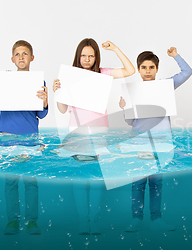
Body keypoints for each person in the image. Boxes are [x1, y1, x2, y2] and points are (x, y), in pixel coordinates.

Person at [53, 38, 134, 235]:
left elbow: (129, 70)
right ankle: (83, 221)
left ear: (96, 57)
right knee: (81, 179)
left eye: (91, 55)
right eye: (83, 55)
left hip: (99, 133)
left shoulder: (103, 73)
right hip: (77, 134)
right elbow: (63, 109)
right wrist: (58, 92)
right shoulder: (70, 76)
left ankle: (94, 220)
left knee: (97, 178)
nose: (87, 59)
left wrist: (115, 48)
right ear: (78, 56)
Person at [0, 36, 48, 235]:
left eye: (25, 53)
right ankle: (12, 221)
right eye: (17, 54)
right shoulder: (3, 79)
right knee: (11, 181)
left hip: (31, 138)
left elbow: (41, 115)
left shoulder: (39, 81)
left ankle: (32, 221)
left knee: (31, 182)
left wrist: (46, 102)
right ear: (12, 60)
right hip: (7, 137)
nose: (21, 57)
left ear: (32, 57)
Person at [119, 48, 192, 232]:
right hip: (139, 142)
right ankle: (136, 218)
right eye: (144, 67)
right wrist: (124, 107)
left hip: (161, 142)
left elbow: (187, 73)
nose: (148, 71)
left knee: (156, 182)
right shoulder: (133, 90)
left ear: (157, 68)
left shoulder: (165, 85)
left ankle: (156, 219)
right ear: (138, 69)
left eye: (151, 67)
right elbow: (130, 121)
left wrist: (175, 55)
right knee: (138, 182)